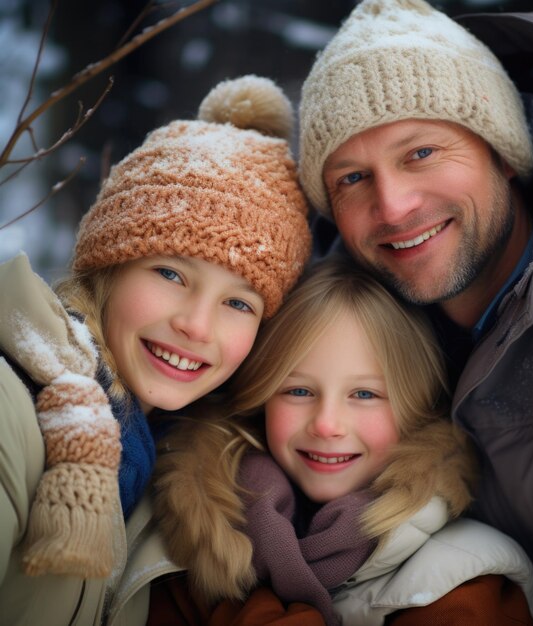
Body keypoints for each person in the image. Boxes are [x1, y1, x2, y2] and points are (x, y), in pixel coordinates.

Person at [296, 1, 533, 624]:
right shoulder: (343, 323)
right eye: (351, 178)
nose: (393, 207)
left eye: (420, 153)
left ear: (502, 151)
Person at [0, 74, 311, 626]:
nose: (195, 325)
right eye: (170, 272)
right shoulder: (12, 406)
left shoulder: (167, 463)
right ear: (109, 268)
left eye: (239, 304)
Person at [150, 257, 533, 626]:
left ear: (414, 410)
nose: (327, 425)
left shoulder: (466, 580)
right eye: (298, 391)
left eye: (364, 395)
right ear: (260, 398)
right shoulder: (187, 551)